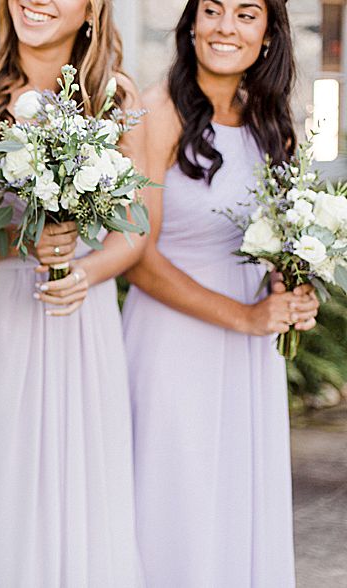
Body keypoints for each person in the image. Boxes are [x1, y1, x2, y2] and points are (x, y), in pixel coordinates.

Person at [0, 0, 147, 584]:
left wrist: (86, 269)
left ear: (91, 9)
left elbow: (138, 231)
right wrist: (18, 241)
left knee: (80, 484)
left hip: (76, 317)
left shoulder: (116, 98)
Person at [122, 1, 314, 584]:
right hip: (175, 340)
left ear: (268, 34)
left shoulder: (275, 120)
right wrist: (246, 316)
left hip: (251, 347)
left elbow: (286, 234)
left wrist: (295, 288)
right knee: (176, 499)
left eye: (246, 14)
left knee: (236, 496)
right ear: (191, 25)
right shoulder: (156, 113)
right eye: (212, 10)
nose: (225, 27)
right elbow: (137, 257)